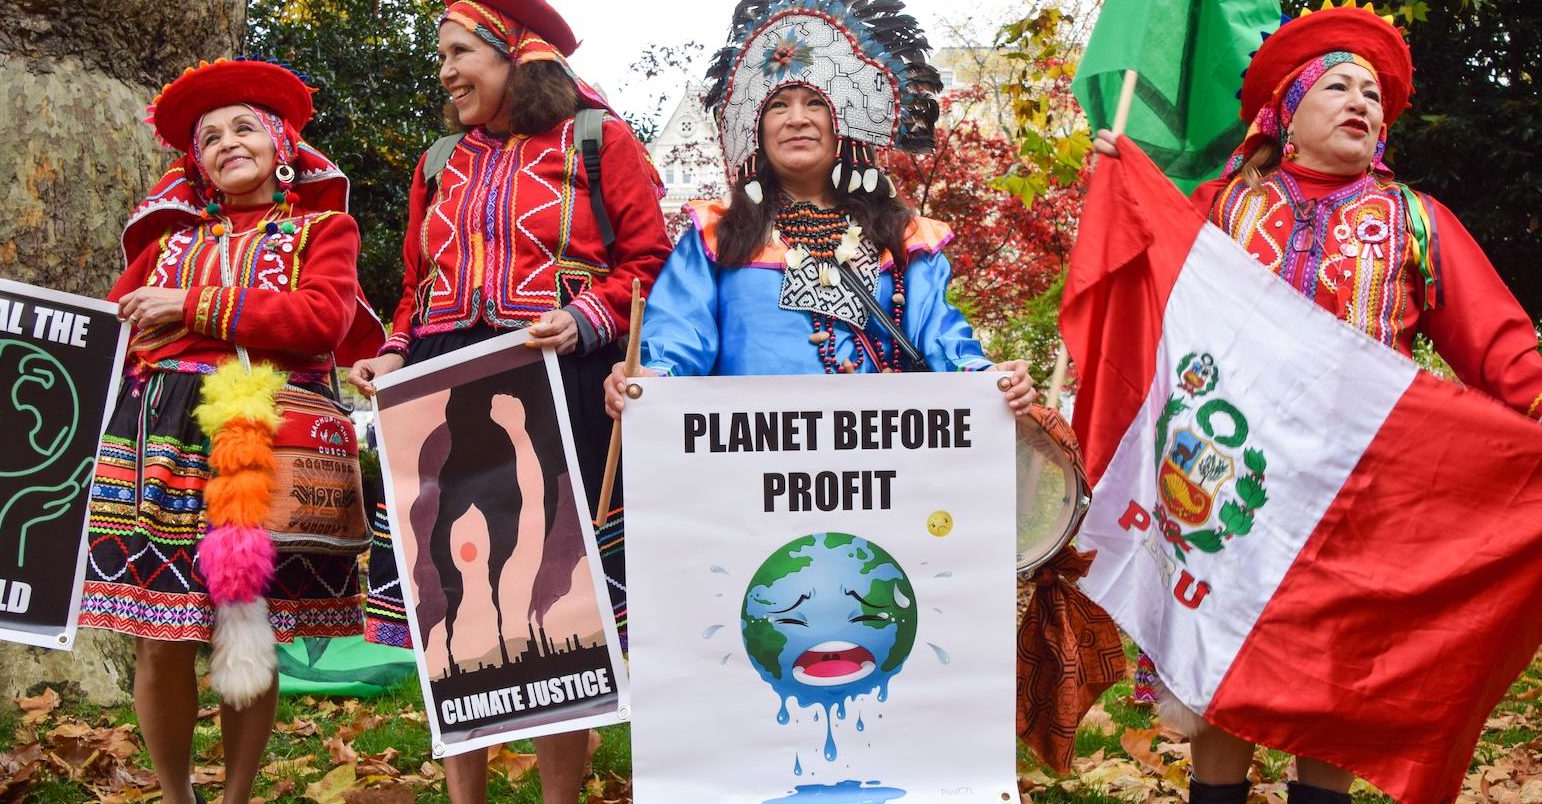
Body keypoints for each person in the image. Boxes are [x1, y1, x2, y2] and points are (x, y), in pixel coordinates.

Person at [1093, 4, 1542, 802]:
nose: (1362, 102)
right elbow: (1143, 266)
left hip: (1352, 498)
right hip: (1226, 478)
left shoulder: (1414, 222)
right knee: (1220, 679)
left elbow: (1502, 348)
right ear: (1287, 118)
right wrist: (1118, 181)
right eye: (1338, 86)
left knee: (1331, 690)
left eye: (1372, 94)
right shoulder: (1221, 207)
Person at [346, 1, 670, 801]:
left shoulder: (598, 140)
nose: (446, 71)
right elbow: (417, 288)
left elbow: (654, 261)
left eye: (460, 53)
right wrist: (391, 348)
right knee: (452, 604)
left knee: (558, 607)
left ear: (515, 56)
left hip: (557, 385)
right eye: (441, 56)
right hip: (441, 391)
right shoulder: (437, 162)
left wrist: (589, 316)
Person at [79, 58, 384, 804]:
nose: (226, 142)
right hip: (166, 446)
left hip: (273, 440)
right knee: (160, 632)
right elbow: (109, 332)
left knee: (254, 626)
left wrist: (190, 310)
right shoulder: (167, 247)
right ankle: (179, 796)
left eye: (244, 127)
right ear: (198, 167)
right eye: (208, 138)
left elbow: (322, 319)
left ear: (283, 148)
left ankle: (238, 797)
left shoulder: (323, 229)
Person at [603, 0, 1036, 411]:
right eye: (777, 106)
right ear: (757, 129)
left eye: (815, 103)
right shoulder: (715, 235)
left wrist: (989, 377)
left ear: (841, 123)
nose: (797, 119)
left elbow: (939, 335)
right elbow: (678, 338)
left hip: (876, 463)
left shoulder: (902, 236)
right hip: (747, 465)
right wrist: (647, 380)